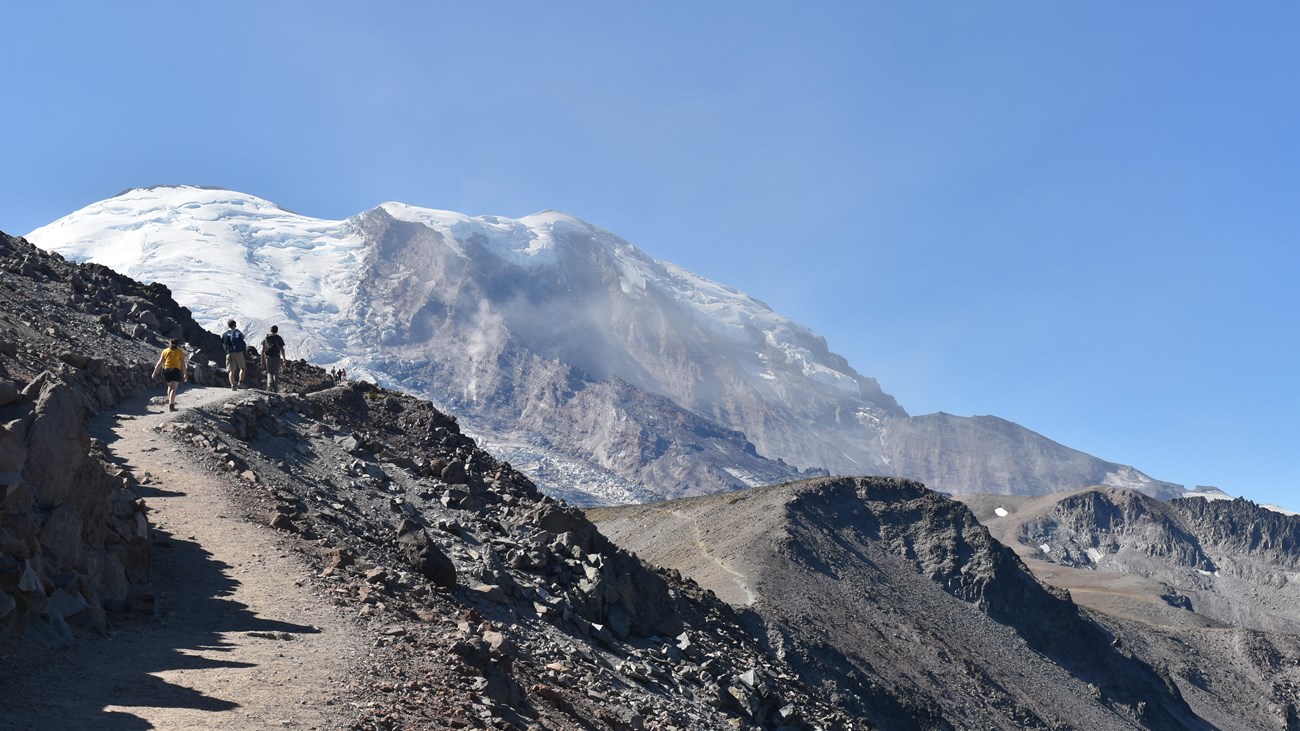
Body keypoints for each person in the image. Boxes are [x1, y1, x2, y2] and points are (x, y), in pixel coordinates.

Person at [151, 339, 189, 411]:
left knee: (169, 387)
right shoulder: (180, 352)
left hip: (166, 370)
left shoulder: (165, 351)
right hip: (175, 370)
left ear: (170, 343)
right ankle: (171, 405)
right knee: (173, 389)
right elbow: (183, 364)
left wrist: (154, 373)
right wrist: (185, 374)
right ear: (178, 344)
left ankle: (170, 402)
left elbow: (160, 362)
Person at [221, 319, 247, 390]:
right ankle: (240, 382)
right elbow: (243, 337)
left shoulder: (225, 334)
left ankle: (232, 385)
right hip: (238, 352)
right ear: (235, 325)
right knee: (242, 368)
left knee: (231, 370)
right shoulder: (237, 332)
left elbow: (223, 342)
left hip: (229, 353)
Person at [260, 325, 287, 392]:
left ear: (270, 330)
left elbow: (263, 350)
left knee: (269, 372)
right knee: (275, 373)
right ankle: (275, 388)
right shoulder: (279, 338)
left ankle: (269, 385)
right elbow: (282, 349)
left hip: (268, 357)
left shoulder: (266, 338)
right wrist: (284, 358)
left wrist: (262, 359)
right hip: (276, 357)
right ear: (277, 330)